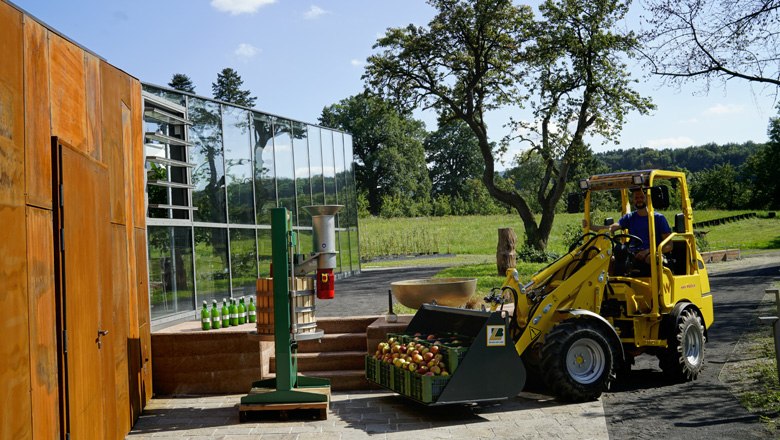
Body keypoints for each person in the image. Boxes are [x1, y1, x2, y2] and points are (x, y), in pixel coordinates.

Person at [589, 188, 672, 265]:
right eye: (636, 198)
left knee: (653, 259)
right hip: (632, 253)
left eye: (641, 197)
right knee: (608, 259)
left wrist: (648, 251)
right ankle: (611, 280)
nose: (639, 200)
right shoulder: (629, 217)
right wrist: (590, 226)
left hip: (651, 253)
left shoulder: (658, 218)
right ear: (633, 200)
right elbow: (610, 228)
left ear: (647, 198)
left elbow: (669, 245)